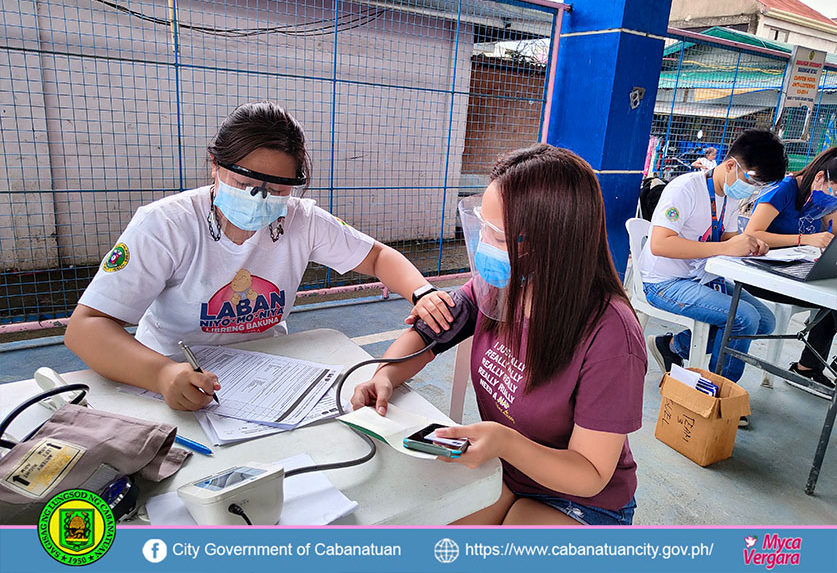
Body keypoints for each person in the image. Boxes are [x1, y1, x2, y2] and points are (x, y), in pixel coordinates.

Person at [65, 101, 455, 411]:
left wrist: (422, 293)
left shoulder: (301, 220)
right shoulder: (166, 224)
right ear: (215, 166)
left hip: (267, 370)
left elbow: (377, 257)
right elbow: (87, 327)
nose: (261, 198)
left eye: (278, 188)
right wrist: (162, 374)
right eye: (246, 183)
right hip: (176, 371)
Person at [351, 144, 647, 526]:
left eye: (497, 236)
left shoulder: (610, 335)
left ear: (553, 244)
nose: (481, 245)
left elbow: (589, 474)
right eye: (482, 228)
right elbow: (430, 332)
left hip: (579, 500)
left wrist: (506, 443)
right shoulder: (499, 286)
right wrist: (385, 376)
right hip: (505, 474)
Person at [640, 129, 786, 401]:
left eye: (760, 186)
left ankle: (672, 345)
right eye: (753, 180)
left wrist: (751, 242)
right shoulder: (685, 189)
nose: (753, 189)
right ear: (731, 165)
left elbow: (726, 236)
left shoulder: (728, 196)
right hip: (664, 282)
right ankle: (716, 394)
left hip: (701, 278)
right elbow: (660, 244)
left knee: (766, 321)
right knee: (744, 318)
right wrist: (725, 247)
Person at [744, 147, 837, 397]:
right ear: (819, 178)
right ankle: (808, 369)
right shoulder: (784, 189)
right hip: (762, 272)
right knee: (832, 302)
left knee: (833, 296)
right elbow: (752, 234)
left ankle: (806, 369)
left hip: (799, 270)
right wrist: (804, 239)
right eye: (836, 191)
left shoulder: (824, 200)